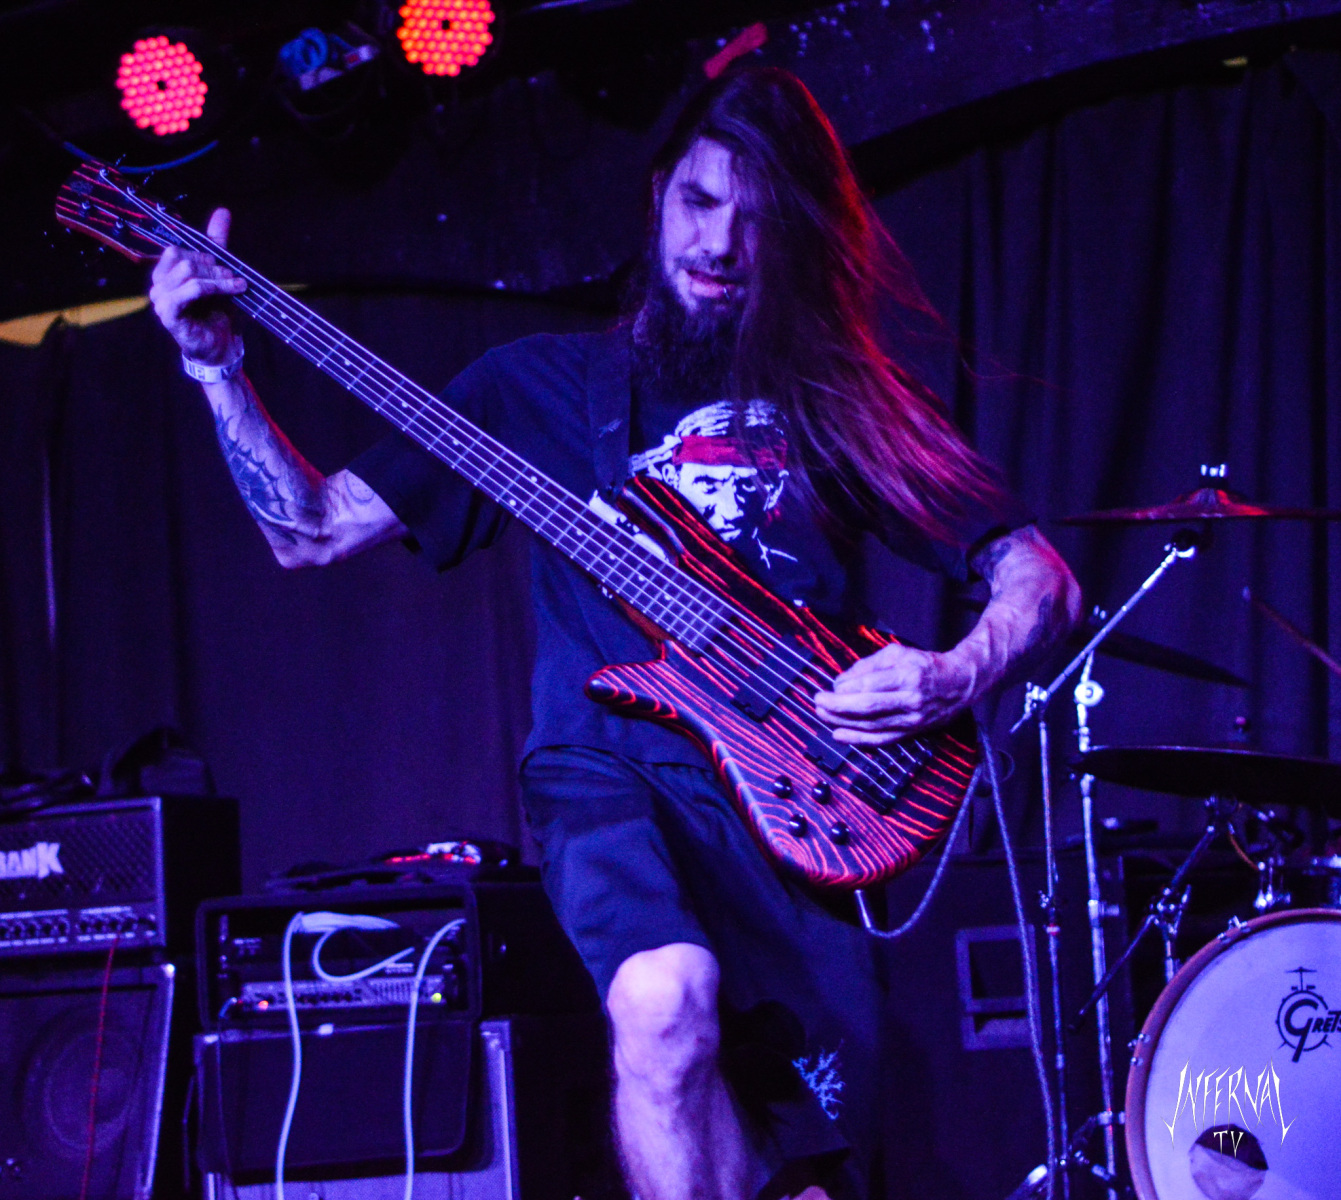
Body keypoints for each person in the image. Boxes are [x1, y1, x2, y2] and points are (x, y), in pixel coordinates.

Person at [149, 67, 1080, 1200]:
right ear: (656, 195)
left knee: (809, 1176)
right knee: (659, 1000)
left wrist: (953, 672)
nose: (721, 244)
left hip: (802, 799)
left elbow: (1038, 574)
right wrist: (216, 365)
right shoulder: (535, 389)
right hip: (609, 773)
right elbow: (310, 530)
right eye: (699, 201)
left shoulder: (838, 405)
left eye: (756, 218)